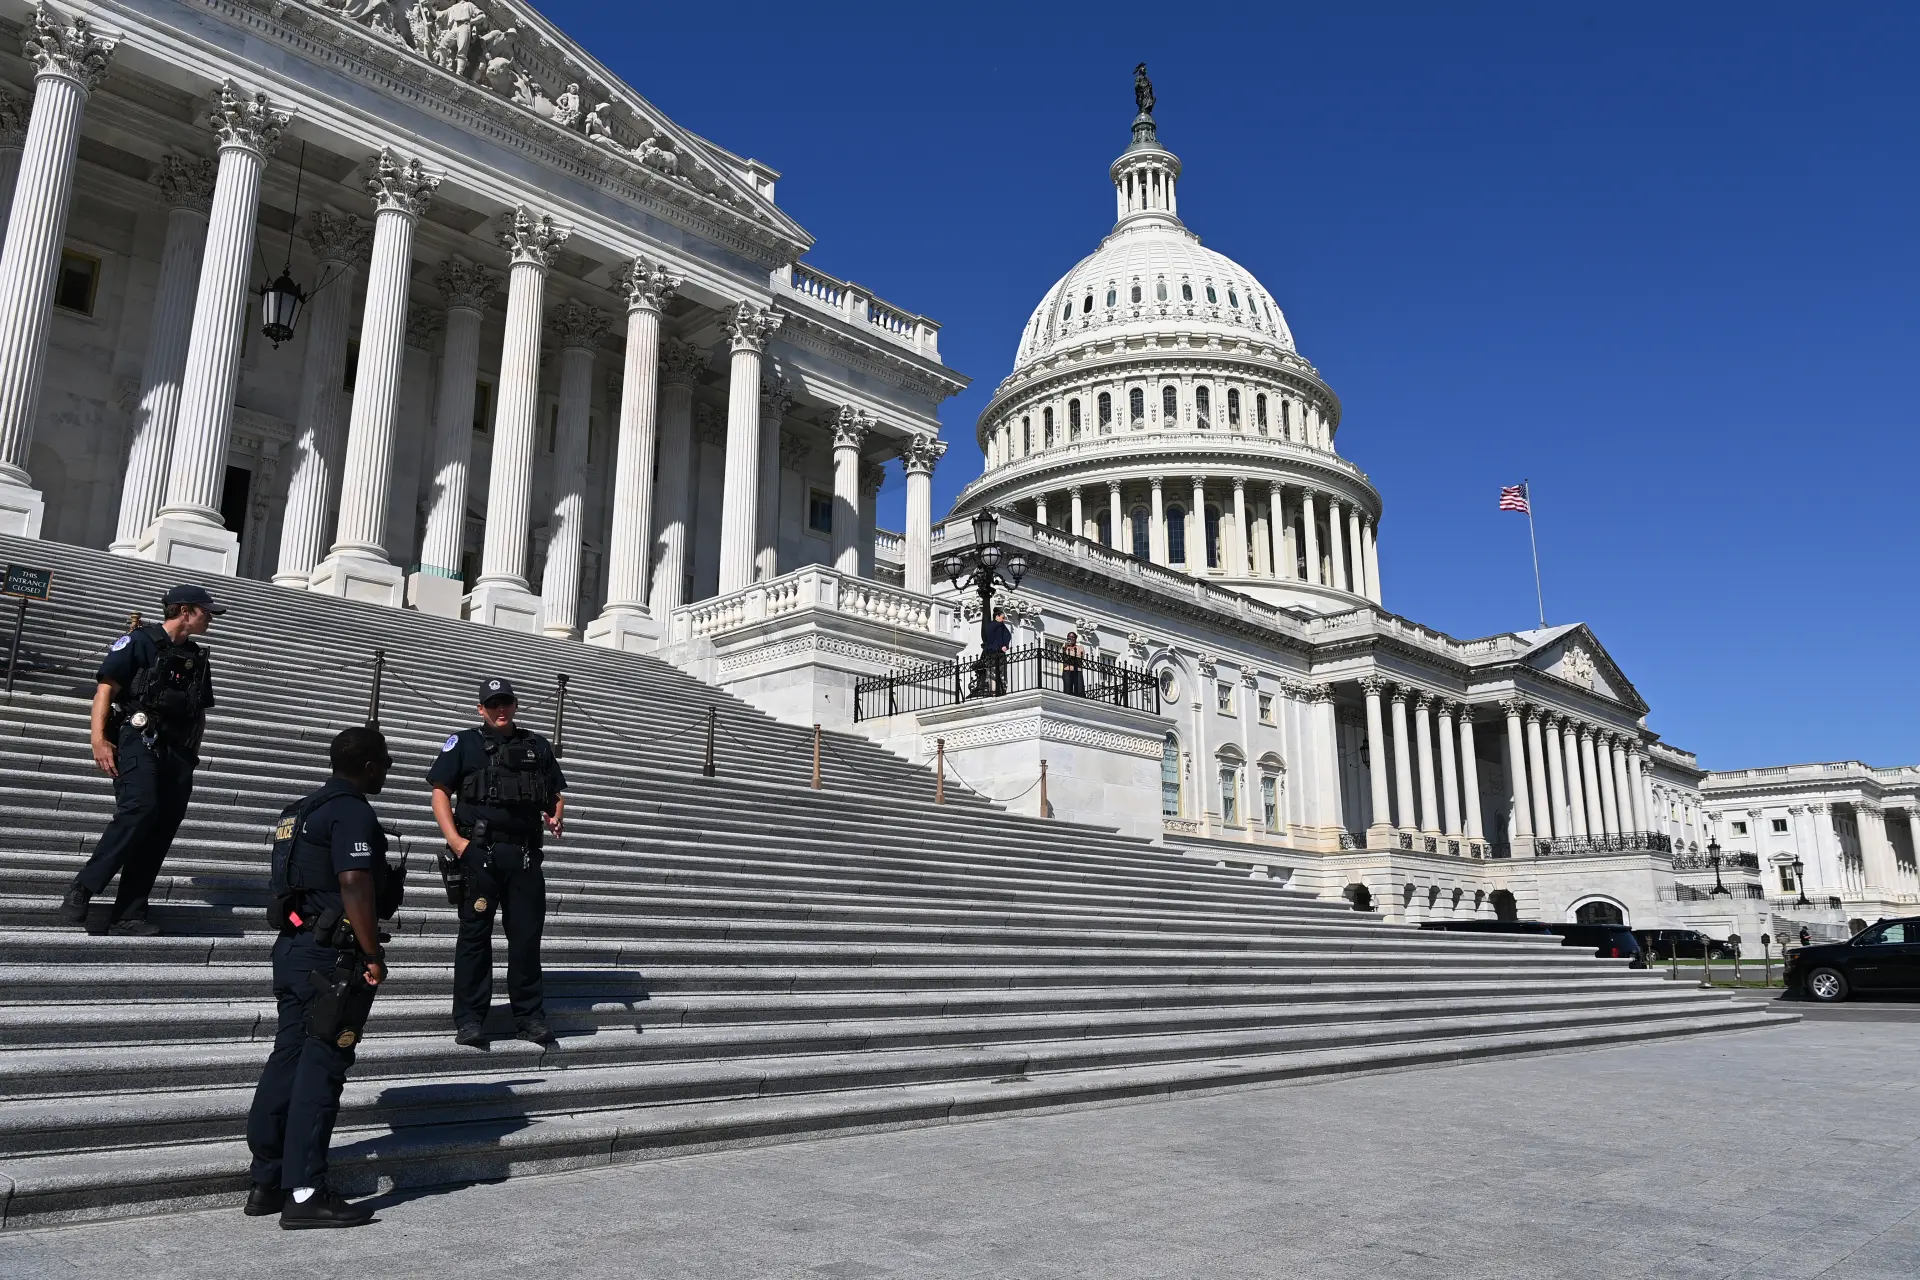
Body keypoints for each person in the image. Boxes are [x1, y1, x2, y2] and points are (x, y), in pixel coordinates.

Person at [244, 725, 396, 1229]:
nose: (389, 768)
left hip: (293, 948)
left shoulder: (296, 812)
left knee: (286, 1057)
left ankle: (267, 1180)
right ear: (368, 765)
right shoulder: (351, 810)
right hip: (330, 958)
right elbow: (354, 881)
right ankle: (306, 1192)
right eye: (385, 761)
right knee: (322, 1066)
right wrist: (372, 952)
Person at [60, 584, 222, 935]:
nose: (210, 617)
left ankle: (130, 913)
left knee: (160, 829)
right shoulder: (139, 642)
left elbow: (200, 711)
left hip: (178, 752)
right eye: (204, 611)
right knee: (140, 808)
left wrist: (193, 751)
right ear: (183, 611)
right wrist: (99, 739)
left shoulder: (198, 657)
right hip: (138, 738)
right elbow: (106, 689)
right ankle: (83, 887)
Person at [428, 678, 567, 1046]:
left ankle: (530, 1017)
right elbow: (440, 793)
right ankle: (470, 1019)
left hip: (523, 858)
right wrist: (456, 843)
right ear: (481, 709)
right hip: (480, 855)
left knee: (526, 940)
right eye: (492, 704)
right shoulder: (463, 743)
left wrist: (555, 815)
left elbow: (554, 795)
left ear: (515, 704)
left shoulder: (536, 745)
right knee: (474, 938)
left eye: (505, 702)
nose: (500, 709)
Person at [982, 607, 1013, 696]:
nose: (1004, 620)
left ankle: (994, 689)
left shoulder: (990, 626)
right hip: (997, 652)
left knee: (993, 671)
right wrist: (1004, 645)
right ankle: (1000, 689)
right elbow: (1004, 636)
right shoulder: (999, 626)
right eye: (1002, 618)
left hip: (991, 651)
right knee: (999, 671)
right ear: (997, 617)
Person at [1061, 630, 1086, 698]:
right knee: (1067, 689)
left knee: (1079, 690)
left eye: (1072, 637)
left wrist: (1069, 658)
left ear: (1075, 638)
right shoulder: (1065, 647)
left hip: (1078, 670)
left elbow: (1080, 657)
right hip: (1067, 669)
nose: (1071, 639)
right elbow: (1063, 657)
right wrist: (1065, 648)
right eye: (1069, 637)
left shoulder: (1080, 647)